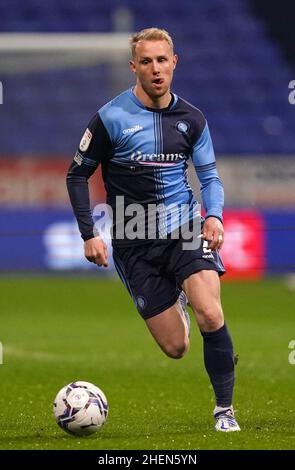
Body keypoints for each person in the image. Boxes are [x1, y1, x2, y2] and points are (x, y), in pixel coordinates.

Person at [66, 27, 240, 432]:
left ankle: (224, 411)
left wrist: (213, 215)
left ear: (174, 62)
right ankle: (176, 299)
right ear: (134, 67)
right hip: (133, 239)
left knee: (211, 314)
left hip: (185, 228)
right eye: (146, 62)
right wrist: (88, 233)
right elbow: (77, 176)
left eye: (162, 60)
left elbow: (210, 177)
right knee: (176, 348)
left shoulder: (192, 119)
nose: (156, 69)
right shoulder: (110, 118)